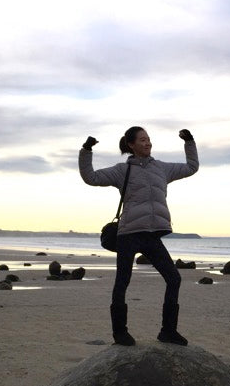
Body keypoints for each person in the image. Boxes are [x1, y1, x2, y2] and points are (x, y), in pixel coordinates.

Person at [79, 126, 198, 346]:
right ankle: (120, 333)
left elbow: (192, 167)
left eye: (149, 139)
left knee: (174, 278)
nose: (148, 143)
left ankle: (168, 331)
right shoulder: (121, 171)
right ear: (131, 145)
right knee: (122, 282)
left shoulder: (162, 168)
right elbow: (90, 177)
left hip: (152, 235)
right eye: (143, 140)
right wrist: (86, 150)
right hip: (129, 234)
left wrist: (189, 142)